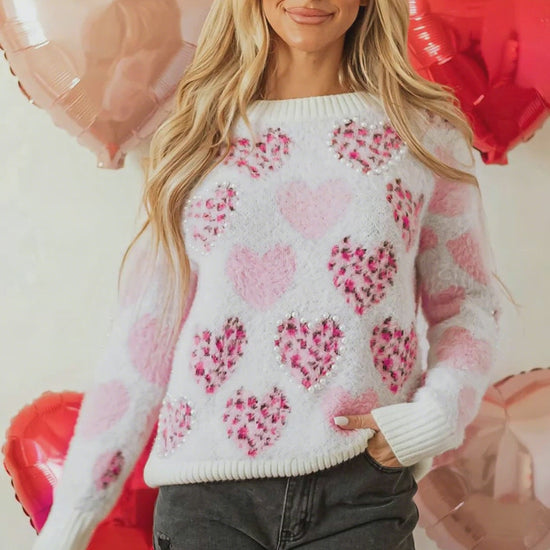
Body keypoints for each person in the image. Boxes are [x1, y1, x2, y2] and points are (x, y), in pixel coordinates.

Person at [32, 0, 507, 548]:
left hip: (359, 490)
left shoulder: (423, 132)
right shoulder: (193, 135)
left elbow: (468, 303)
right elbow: (142, 340)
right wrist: (70, 521)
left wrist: (438, 414)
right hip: (206, 501)